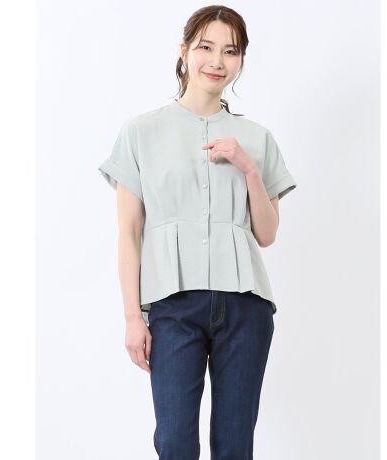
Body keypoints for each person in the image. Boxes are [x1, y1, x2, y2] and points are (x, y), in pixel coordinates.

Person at [98, 5, 297, 459]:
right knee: (174, 442)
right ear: (184, 51)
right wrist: (133, 317)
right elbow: (129, 232)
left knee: (234, 446)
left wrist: (248, 168)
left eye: (231, 51)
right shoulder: (141, 132)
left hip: (245, 306)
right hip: (173, 305)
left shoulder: (257, 138)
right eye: (206, 47)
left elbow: (267, 234)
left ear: (241, 60)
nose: (217, 61)